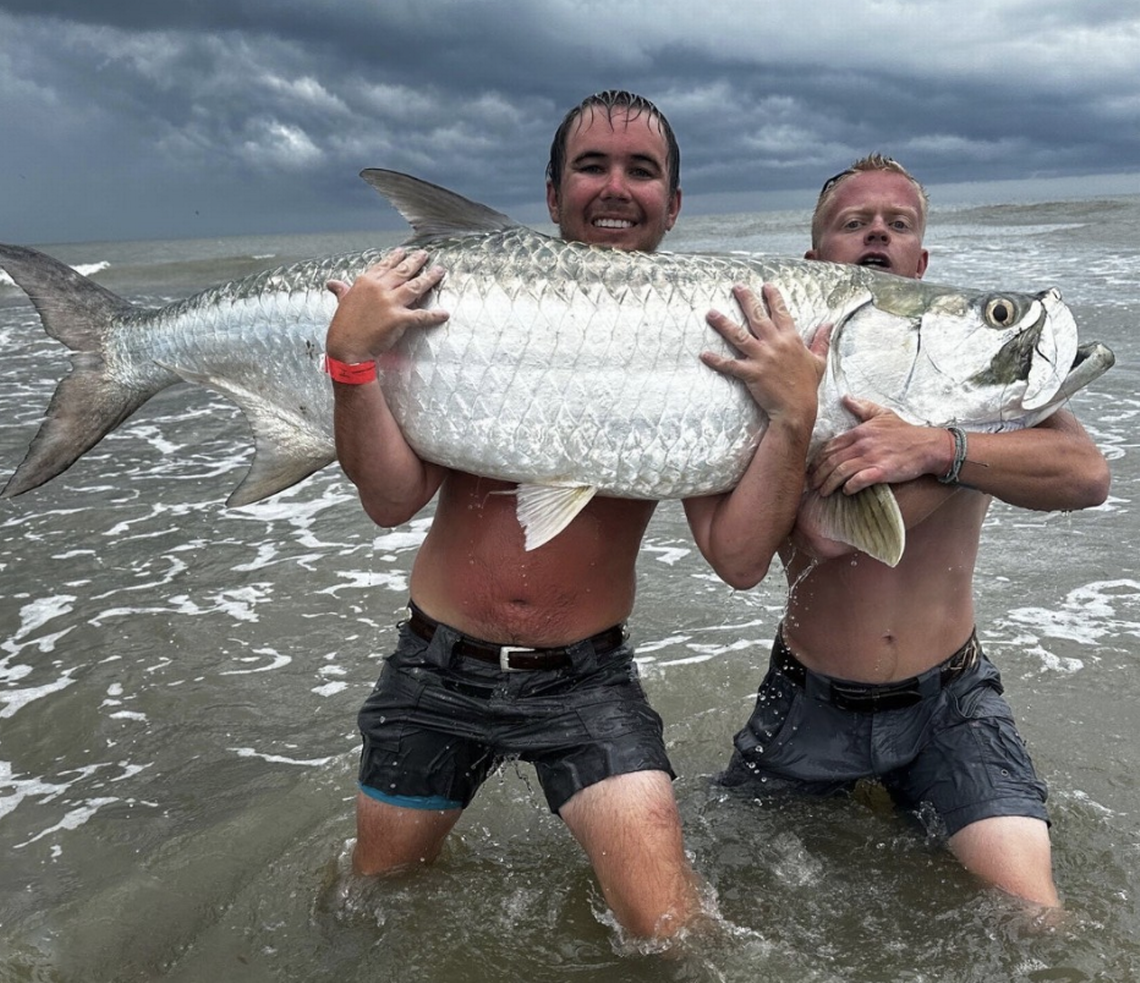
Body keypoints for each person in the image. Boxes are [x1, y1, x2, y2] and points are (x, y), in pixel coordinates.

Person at [321, 90, 823, 940]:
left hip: (585, 679)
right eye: (591, 166)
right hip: (434, 670)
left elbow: (739, 560)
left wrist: (792, 416)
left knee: (673, 932)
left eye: (643, 170)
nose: (616, 186)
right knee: (370, 903)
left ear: (675, 202)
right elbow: (391, 498)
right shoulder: (464, 308)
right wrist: (350, 358)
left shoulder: (720, 332)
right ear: (552, 195)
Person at [714, 154, 1110, 908]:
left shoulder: (973, 382)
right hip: (808, 697)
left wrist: (939, 445)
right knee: (740, 903)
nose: (877, 235)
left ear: (921, 259)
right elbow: (826, 537)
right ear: (814, 258)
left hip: (949, 698)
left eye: (898, 225)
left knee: (1033, 909)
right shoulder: (772, 384)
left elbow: (1086, 473)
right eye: (853, 222)